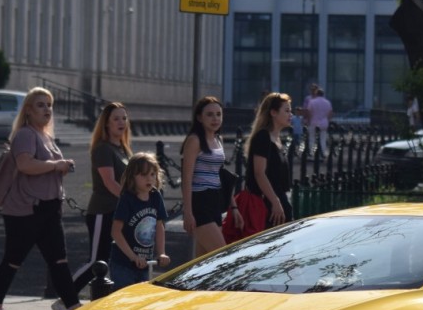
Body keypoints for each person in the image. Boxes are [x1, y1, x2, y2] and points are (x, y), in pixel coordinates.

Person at [0, 87, 81, 310]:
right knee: (12, 260)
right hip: (26, 210)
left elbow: (43, 167)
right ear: (28, 110)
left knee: (59, 260)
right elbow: (26, 165)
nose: (47, 109)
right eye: (40, 105)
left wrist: (61, 167)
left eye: (49, 105)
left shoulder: (44, 135)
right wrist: (57, 165)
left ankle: (73, 309)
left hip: (48, 208)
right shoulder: (26, 135)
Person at [72, 101, 131, 294]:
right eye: (116, 118)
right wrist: (131, 203)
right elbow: (110, 183)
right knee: (96, 261)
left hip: (118, 213)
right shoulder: (103, 149)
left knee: (111, 261)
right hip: (102, 212)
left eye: (124, 118)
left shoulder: (123, 149)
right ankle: (67, 295)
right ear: (106, 123)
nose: (121, 122)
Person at [181, 95, 239, 259]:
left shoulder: (217, 139)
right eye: (210, 114)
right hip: (199, 201)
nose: (215, 119)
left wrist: (233, 207)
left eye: (218, 114)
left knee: (203, 262)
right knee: (222, 256)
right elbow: (186, 178)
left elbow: (221, 174)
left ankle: (190, 285)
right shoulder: (194, 140)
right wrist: (188, 212)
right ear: (199, 117)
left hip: (215, 200)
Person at [109, 152, 171, 290]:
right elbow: (116, 232)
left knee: (140, 301)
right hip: (123, 263)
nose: (149, 178)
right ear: (132, 177)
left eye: (152, 174)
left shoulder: (156, 196)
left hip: (145, 263)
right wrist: (133, 257)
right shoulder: (127, 199)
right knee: (124, 300)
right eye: (143, 175)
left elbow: (159, 225)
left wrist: (161, 252)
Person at [246, 92, 294, 227]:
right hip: (267, 206)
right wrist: (275, 202)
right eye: (287, 111)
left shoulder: (277, 139)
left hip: (279, 202)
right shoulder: (263, 136)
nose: (291, 115)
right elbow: (259, 173)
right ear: (273, 112)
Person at [303, 85, 332, 155]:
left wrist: (308, 120)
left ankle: (311, 152)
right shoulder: (327, 102)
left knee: (312, 138)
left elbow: (308, 112)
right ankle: (323, 152)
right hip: (324, 122)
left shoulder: (312, 102)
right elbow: (330, 112)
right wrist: (327, 120)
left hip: (313, 122)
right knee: (323, 138)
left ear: (317, 94)